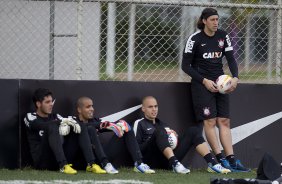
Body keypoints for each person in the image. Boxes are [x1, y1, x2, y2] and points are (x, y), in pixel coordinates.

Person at [181, 7, 250, 172]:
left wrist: (235, 78)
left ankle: (232, 160)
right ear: (204, 21)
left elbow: (231, 58)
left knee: (224, 121)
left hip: (221, 84)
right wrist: (204, 81)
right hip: (202, 85)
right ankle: (219, 160)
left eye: (217, 20)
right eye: (212, 20)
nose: (216, 23)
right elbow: (185, 65)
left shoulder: (223, 36)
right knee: (210, 121)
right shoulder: (194, 39)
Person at [133, 96, 231, 174]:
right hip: (150, 161)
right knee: (159, 131)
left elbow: (172, 145)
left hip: (167, 161)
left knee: (193, 131)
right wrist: (154, 138)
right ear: (143, 109)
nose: (154, 109)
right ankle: (176, 163)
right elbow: (136, 149)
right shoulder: (140, 123)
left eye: (156, 106)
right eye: (150, 107)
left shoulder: (163, 125)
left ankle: (212, 163)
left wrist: (176, 138)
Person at [24, 88, 106, 174]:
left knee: (79, 127)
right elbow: (39, 125)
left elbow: (77, 125)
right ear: (38, 104)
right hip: (43, 161)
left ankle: (91, 164)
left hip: (59, 158)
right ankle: (63, 165)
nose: (51, 104)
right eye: (47, 102)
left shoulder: (56, 116)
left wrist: (103, 125)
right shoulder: (30, 116)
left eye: (51, 101)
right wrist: (60, 122)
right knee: (52, 126)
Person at [73, 96, 155, 174]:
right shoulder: (74, 121)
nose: (92, 109)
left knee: (126, 128)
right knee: (90, 128)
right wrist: (102, 125)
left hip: (102, 156)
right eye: (88, 107)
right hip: (86, 161)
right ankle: (101, 164)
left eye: (92, 106)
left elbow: (104, 125)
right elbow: (86, 126)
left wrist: (118, 125)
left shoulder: (94, 120)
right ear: (79, 109)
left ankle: (139, 163)